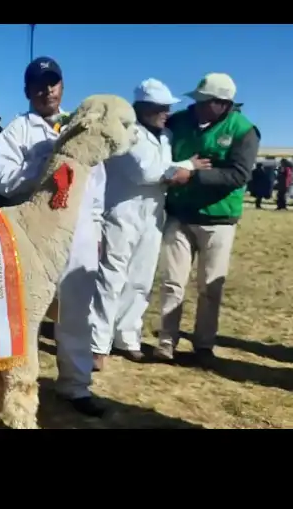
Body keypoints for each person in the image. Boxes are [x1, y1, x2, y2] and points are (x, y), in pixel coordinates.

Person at [0, 57, 107, 417]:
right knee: (25, 313)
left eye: (53, 83)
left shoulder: (82, 127)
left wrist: (97, 225)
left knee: (75, 309)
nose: (48, 90)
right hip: (34, 233)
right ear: (27, 91)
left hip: (79, 230)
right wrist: (41, 167)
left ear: (62, 86)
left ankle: (76, 385)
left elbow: (97, 182)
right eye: (40, 85)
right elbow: (2, 180)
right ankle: (19, 387)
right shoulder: (16, 131)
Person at [88, 79, 209, 371]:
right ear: (142, 108)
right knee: (111, 279)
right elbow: (145, 171)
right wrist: (187, 167)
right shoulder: (125, 134)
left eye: (168, 107)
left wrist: (179, 167)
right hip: (121, 213)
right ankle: (97, 345)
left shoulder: (165, 135)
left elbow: (162, 168)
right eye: (160, 107)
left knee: (141, 279)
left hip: (152, 215)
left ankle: (126, 337)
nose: (167, 112)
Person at [155, 73, 260, 365]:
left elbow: (239, 174)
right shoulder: (179, 121)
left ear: (223, 103)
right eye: (197, 100)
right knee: (173, 282)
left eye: (205, 101)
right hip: (180, 214)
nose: (197, 105)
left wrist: (194, 175)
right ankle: (166, 340)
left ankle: (203, 345)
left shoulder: (244, 130)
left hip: (219, 220)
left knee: (209, 286)